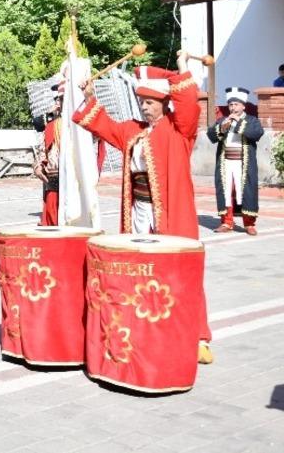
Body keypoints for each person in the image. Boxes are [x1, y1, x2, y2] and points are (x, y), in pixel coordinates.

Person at [73, 51, 213, 364]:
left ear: (164, 103)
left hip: (171, 214)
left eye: (150, 103)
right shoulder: (133, 131)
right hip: (138, 211)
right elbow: (103, 126)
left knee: (180, 274)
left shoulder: (180, 132)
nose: (145, 108)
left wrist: (180, 70)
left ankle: (197, 337)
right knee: (139, 267)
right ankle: (143, 329)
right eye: (142, 103)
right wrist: (90, 95)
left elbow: (189, 105)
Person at [207, 87, 264, 235]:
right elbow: (211, 136)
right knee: (226, 192)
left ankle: (249, 224)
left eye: (236, 104)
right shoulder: (223, 120)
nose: (233, 107)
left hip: (244, 164)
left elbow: (256, 133)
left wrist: (238, 122)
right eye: (231, 104)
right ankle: (227, 222)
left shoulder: (252, 120)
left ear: (243, 105)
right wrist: (222, 128)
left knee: (246, 192)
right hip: (226, 163)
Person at [33, 86, 63, 226]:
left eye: (62, 99)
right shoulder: (52, 119)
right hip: (52, 174)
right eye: (58, 98)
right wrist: (38, 165)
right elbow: (38, 123)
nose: (59, 101)